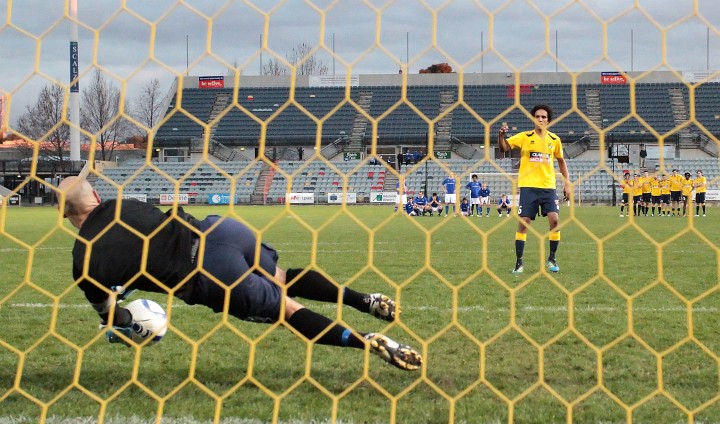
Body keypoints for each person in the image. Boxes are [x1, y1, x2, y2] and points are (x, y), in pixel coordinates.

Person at [57, 174, 422, 371]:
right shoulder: (125, 203)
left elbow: (113, 316)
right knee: (280, 277)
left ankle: (367, 339)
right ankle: (363, 299)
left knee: (288, 311)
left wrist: (128, 326)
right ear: (97, 196)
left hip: (209, 274)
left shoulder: (83, 259)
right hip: (221, 232)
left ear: (65, 215)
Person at [498, 104, 571, 274]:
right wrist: (501, 135)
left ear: (548, 120)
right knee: (524, 223)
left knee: (554, 221)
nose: (540, 119)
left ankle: (552, 259)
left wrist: (567, 183)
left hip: (548, 187)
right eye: (537, 116)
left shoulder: (555, 140)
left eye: (544, 117)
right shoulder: (524, 137)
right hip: (528, 187)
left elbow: (561, 161)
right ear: (533, 119)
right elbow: (504, 148)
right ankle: (519, 262)